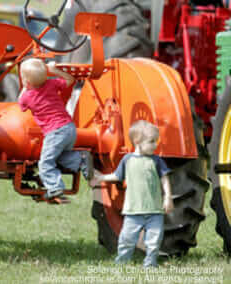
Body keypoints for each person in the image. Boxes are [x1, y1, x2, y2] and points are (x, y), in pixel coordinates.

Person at [91, 120, 174, 267]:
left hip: (155, 211)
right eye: (152, 141)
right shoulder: (127, 160)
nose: (155, 145)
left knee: (154, 242)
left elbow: (164, 179)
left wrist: (167, 197)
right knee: (126, 240)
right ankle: (122, 262)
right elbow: (117, 176)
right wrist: (102, 178)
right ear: (137, 141)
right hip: (133, 211)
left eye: (156, 141)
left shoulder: (156, 161)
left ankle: (150, 264)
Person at [18, 58, 96, 203]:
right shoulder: (51, 84)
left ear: (26, 82)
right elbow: (70, 80)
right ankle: (80, 159)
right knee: (59, 156)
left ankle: (54, 187)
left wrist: (25, 87)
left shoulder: (27, 97)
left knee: (45, 163)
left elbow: (20, 104)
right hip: (69, 128)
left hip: (55, 132)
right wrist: (54, 71)